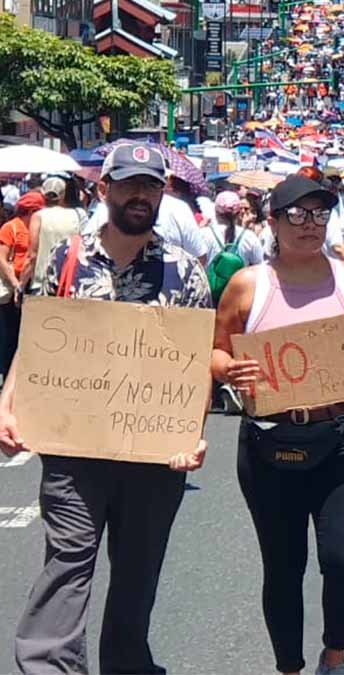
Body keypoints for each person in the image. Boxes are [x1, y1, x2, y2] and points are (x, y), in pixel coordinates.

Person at [2, 142, 209, 675]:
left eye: (151, 185)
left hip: (152, 454)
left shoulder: (185, 273)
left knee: (138, 571)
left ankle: (127, 664)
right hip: (74, 449)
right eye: (129, 184)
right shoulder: (66, 258)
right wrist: (8, 402)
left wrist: (192, 434)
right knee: (69, 559)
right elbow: (38, 341)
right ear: (104, 189)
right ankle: (48, 664)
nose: (140, 194)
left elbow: (194, 367)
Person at [212, 173, 344, 675]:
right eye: (297, 214)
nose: (310, 224)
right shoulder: (248, 284)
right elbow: (214, 352)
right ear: (273, 222)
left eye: (319, 213)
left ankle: (336, 654)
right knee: (284, 567)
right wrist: (229, 369)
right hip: (270, 439)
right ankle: (289, 666)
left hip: (343, 433)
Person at [0, 191, 42, 375]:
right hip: (11, 288)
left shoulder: (37, 228)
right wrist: (16, 283)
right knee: (8, 334)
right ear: (31, 211)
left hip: (28, 286)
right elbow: (1, 259)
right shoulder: (10, 228)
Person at [28, 176, 87, 295]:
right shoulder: (79, 214)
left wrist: (21, 283)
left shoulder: (38, 216)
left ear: (43, 194)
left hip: (41, 283)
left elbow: (32, 255)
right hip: (69, 280)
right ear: (64, 194)